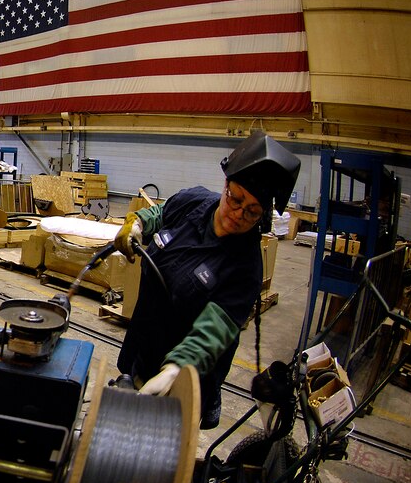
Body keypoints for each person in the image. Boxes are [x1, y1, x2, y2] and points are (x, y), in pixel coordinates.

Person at [112, 130, 301, 428]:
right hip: (143, 343)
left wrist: (176, 370)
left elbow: (212, 333)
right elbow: (161, 213)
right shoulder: (194, 202)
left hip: (185, 372)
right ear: (226, 184)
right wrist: (137, 223)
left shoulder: (246, 268)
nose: (238, 214)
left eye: (252, 212)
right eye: (235, 199)